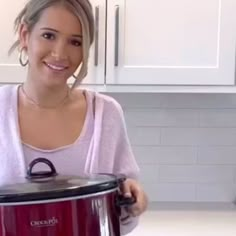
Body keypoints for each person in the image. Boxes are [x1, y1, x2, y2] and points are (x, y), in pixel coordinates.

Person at [0, 0, 148, 234]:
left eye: (75, 42)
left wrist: (131, 199)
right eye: (49, 35)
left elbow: (121, 218)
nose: (60, 53)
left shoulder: (106, 114)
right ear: (25, 35)